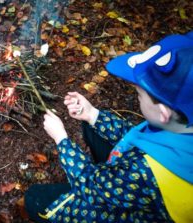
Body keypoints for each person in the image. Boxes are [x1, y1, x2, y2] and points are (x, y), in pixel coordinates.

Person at [24, 32, 193, 223]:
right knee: (91, 127)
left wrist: (62, 140)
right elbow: (140, 139)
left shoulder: (144, 173)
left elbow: (92, 189)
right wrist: (92, 115)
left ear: (163, 113)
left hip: (122, 209)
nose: (138, 97)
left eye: (139, 94)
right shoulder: (181, 126)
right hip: (130, 182)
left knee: (34, 199)